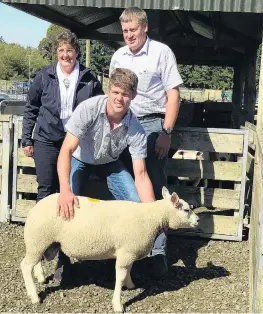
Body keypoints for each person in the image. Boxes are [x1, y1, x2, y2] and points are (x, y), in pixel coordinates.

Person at [109, 7, 183, 278]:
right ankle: (127, 247)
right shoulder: (118, 56)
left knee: (154, 185)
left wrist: (166, 131)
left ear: (145, 28)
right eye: (125, 31)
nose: (128, 35)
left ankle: (158, 253)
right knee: (123, 182)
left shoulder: (161, 52)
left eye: (133, 30)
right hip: (123, 122)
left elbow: (173, 95)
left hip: (152, 123)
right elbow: (113, 93)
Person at [56, 68, 155, 220]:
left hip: (110, 162)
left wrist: (153, 213)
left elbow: (141, 175)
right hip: (80, 158)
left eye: (125, 94)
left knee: (134, 202)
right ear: (108, 90)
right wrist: (64, 188)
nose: (119, 98)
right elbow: (67, 149)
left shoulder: (136, 130)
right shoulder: (88, 109)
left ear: (133, 95)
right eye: (115, 92)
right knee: (69, 200)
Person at [21, 30, 103, 202]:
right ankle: (42, 228)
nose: (65, 55)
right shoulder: (44, 76)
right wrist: (27, 138)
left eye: (69, 50)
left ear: (77, 52)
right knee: (46, 187)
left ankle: (67, 228)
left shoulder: (89, 78)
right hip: (47, 139)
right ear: (56, 52)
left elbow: (100, 108)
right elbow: (31, 108)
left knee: (71, 189)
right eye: (61, 50)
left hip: (76, 141)